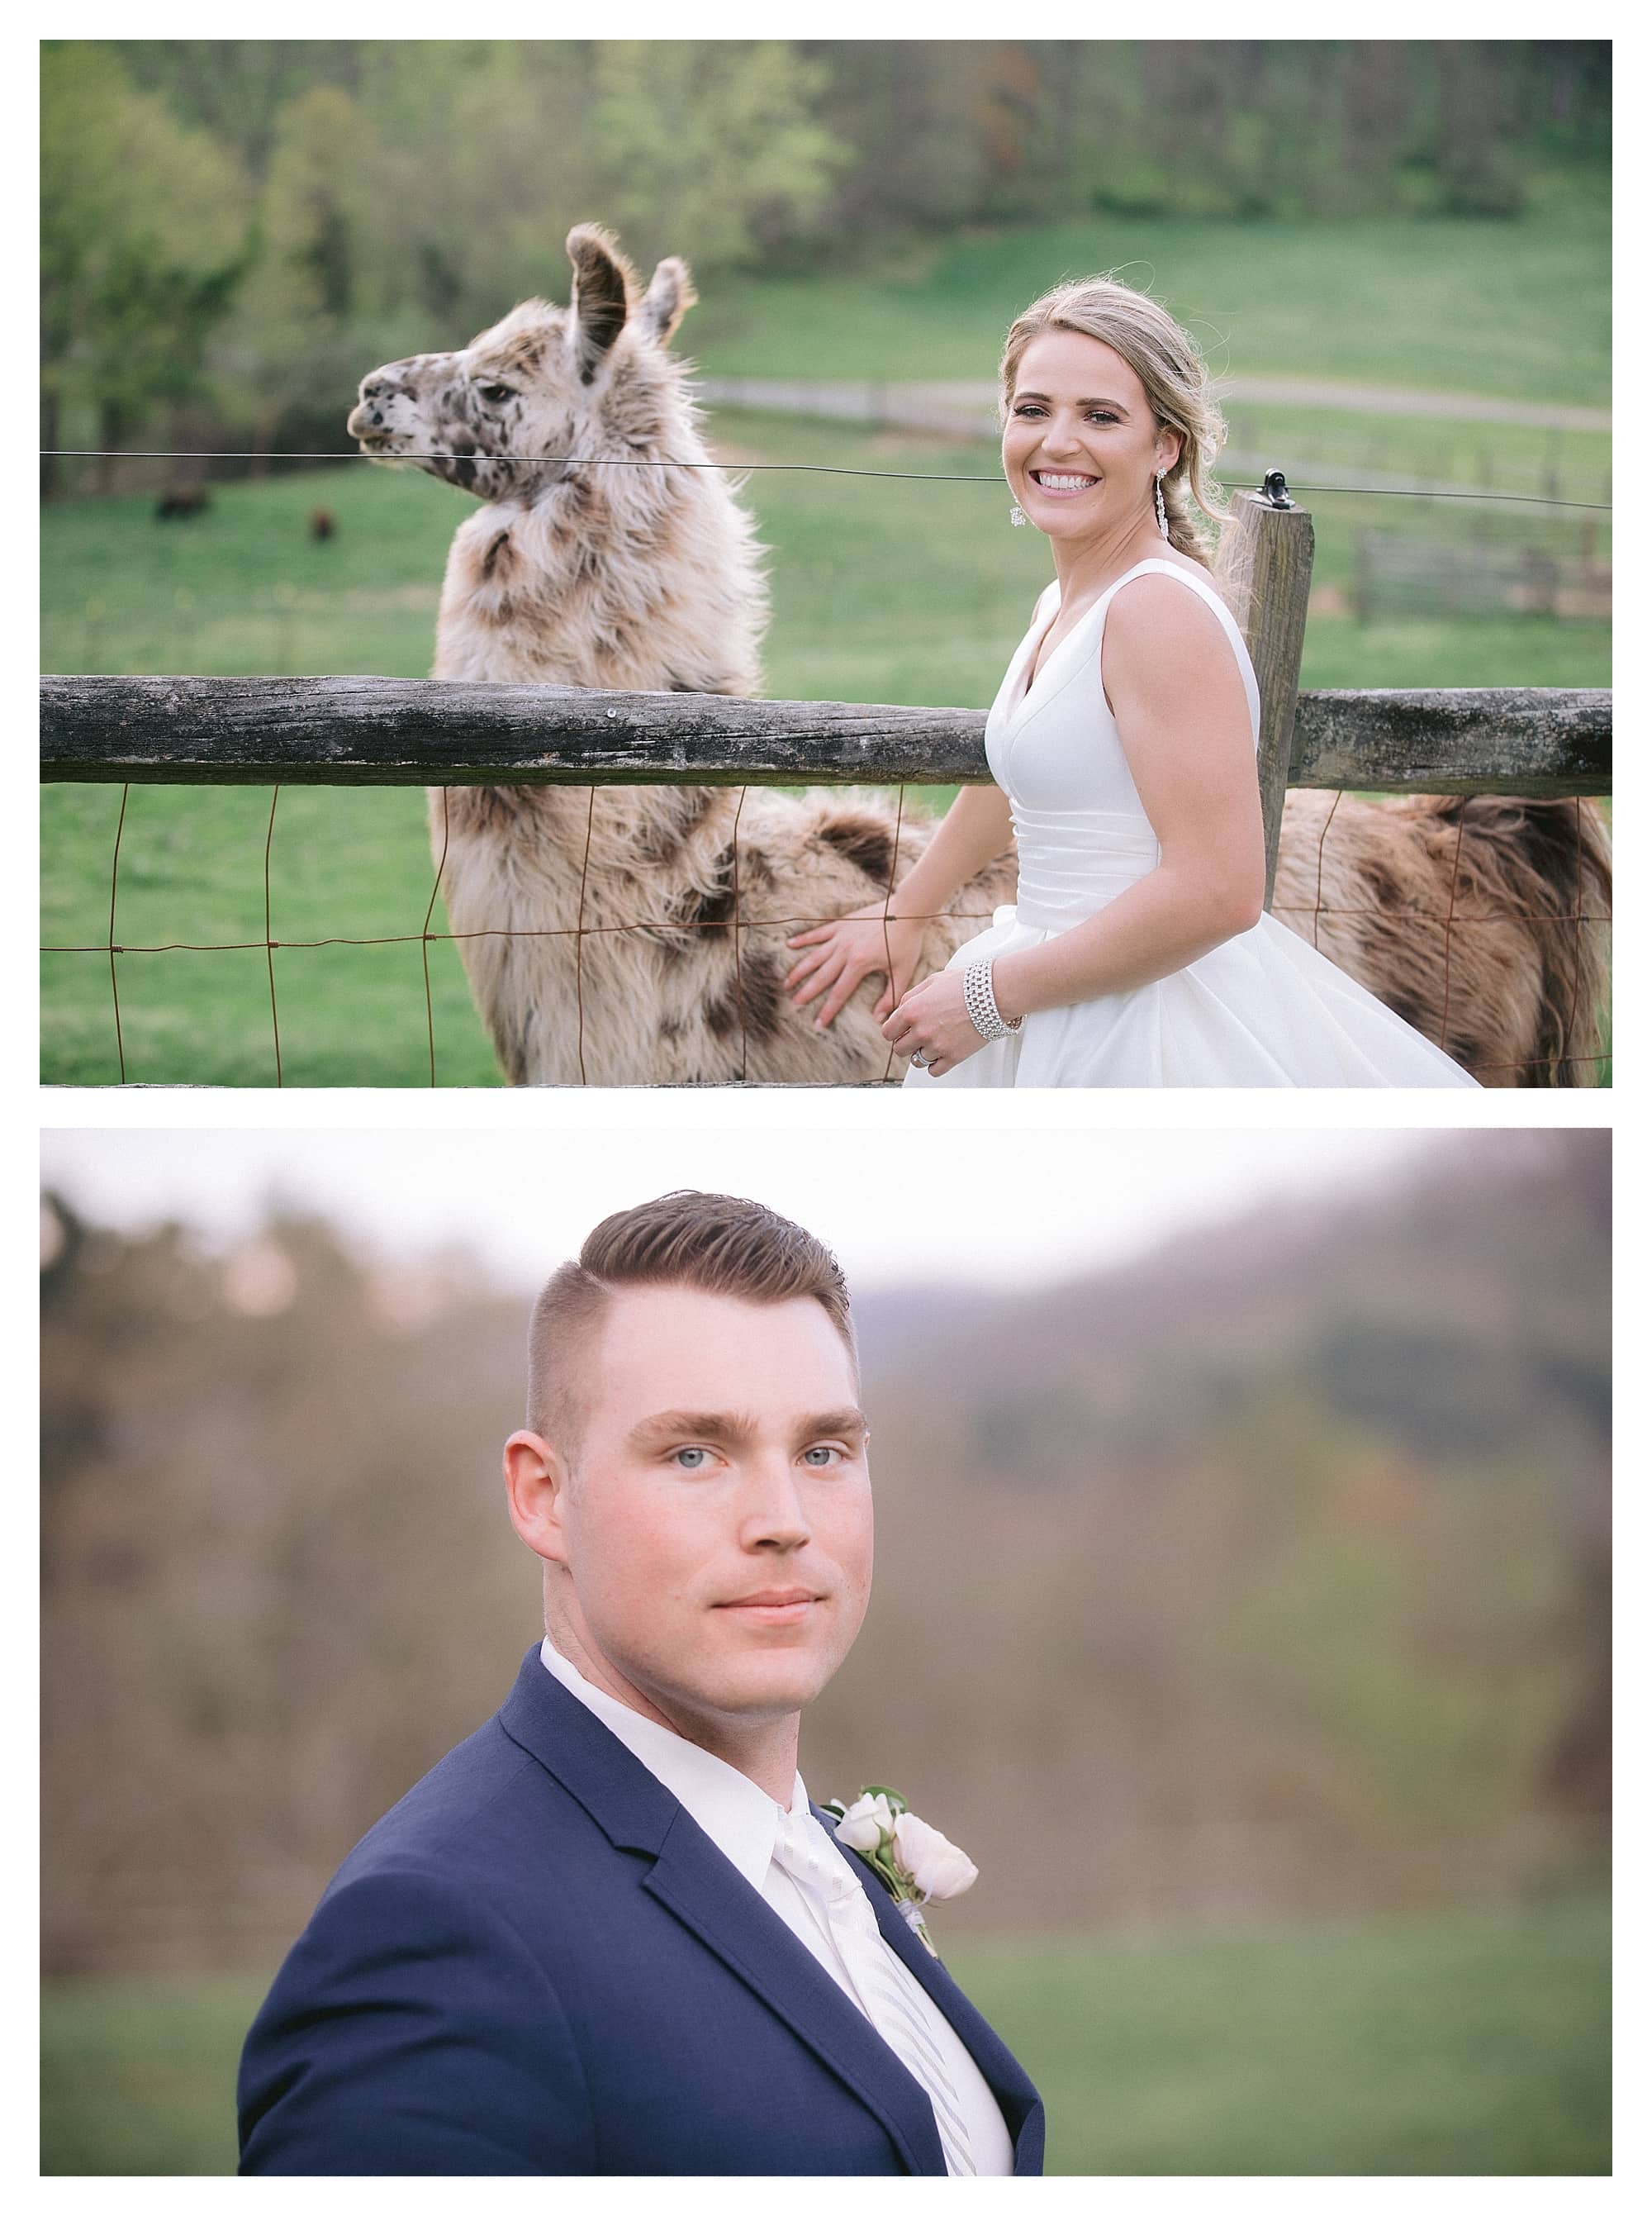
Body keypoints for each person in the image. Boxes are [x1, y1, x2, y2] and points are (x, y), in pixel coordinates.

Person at [237, 1192, 1043, 2176]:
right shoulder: (438, 1941)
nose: (783, 1519)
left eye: (821, 1451)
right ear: (543, 1496)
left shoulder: (821, 1853)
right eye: (694, 1453)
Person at [783, 276, 1479, 1088]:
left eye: (1100, 416)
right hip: (1051, 983)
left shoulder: (1155, 612)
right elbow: (1028, 776)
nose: (1056, 442)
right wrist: (907, 912)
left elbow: (1218, 891)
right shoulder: (1068, 597)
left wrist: (986, 996)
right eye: (1033, 410)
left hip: (1138, 1018)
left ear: (1163, 445)